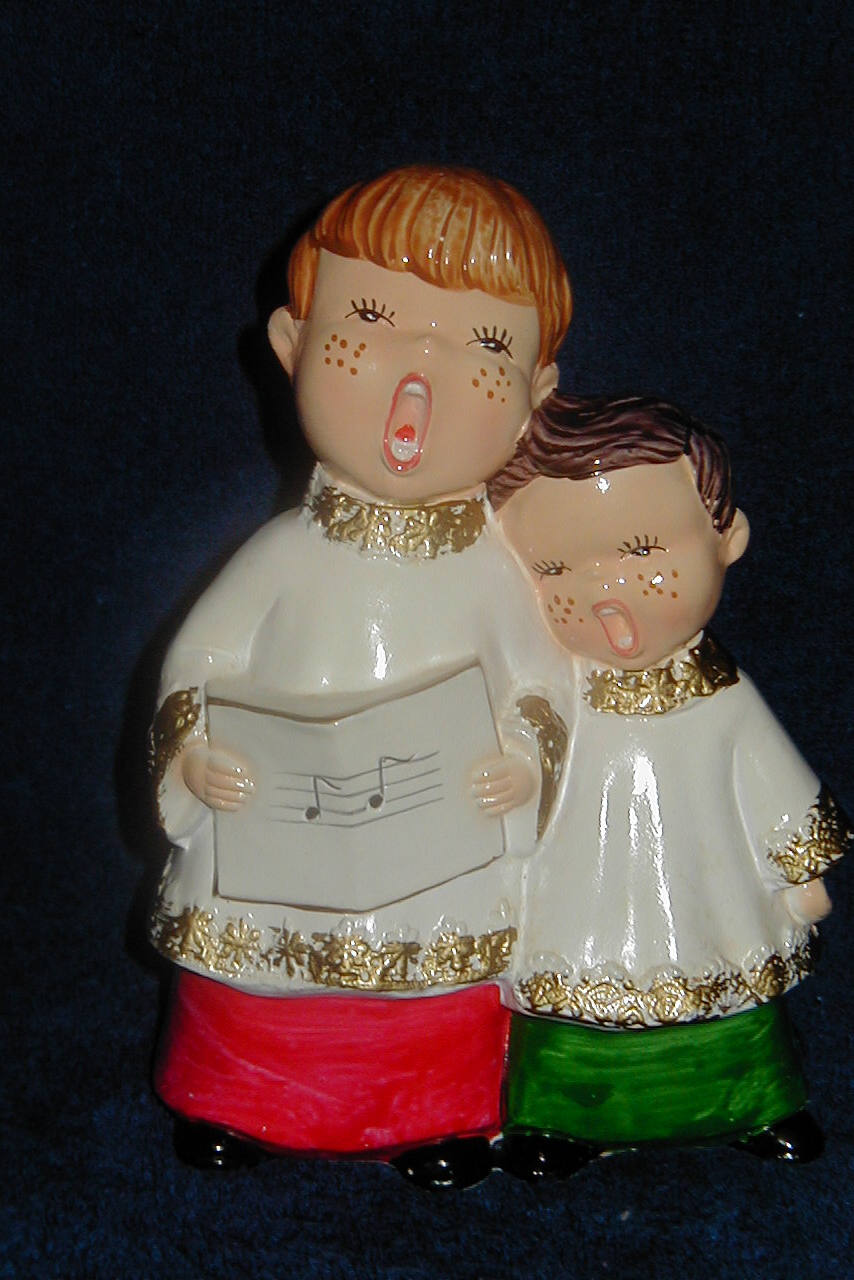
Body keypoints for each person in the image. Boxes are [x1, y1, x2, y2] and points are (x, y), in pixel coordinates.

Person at [148, 166, 573, 1188]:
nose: (419, 372)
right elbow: (199, 661)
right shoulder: (280, 558)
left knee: (435, 990)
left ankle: (435, 1113)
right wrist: (194, 752)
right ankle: (241, 1098)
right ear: (291, 345)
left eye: (484, 344)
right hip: (276, 838)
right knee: (257, 982)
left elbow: (545, 683)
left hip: (439, 853)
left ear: (535, 398)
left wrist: (525, 759)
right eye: (372, 322)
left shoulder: (499, 575)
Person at [489, 393, 850, 1178]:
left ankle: (751, 1102)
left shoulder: (724, 697)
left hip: (706, 897)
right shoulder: (554, 697)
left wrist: (801, 871)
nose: (603, 589)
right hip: (580, 896)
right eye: (553, 569)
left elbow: (772, 779)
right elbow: (524, 757)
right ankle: (556, 1115)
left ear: (728, 539)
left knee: (727, 983)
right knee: (568, 992)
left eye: (641, 550)